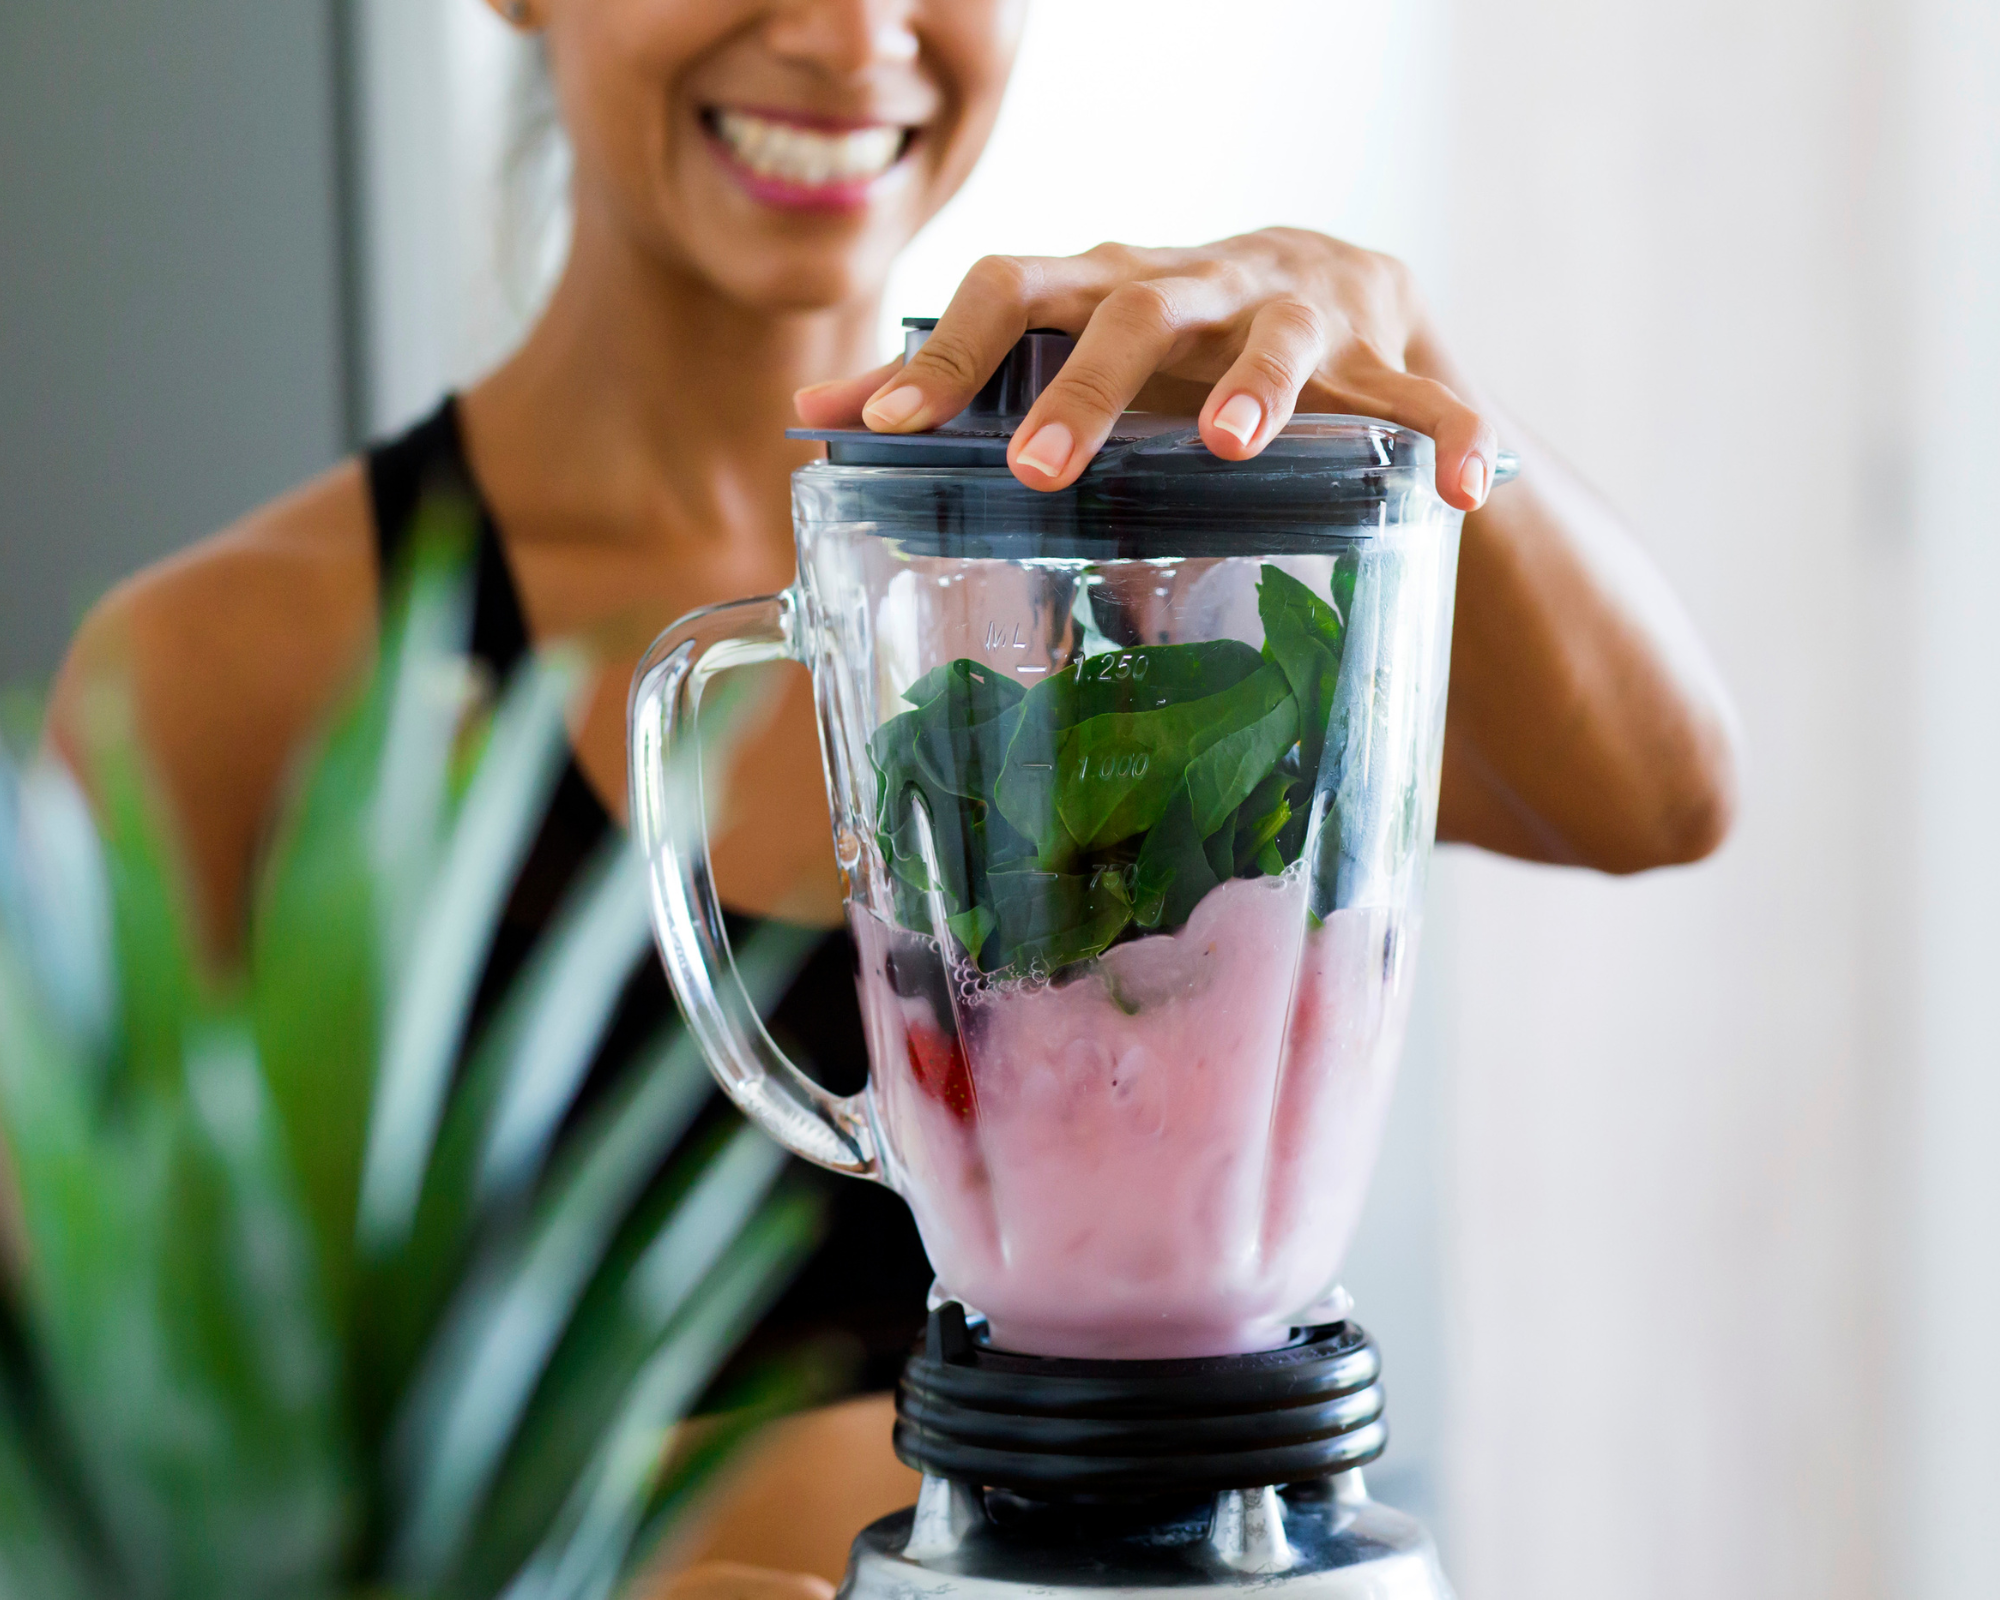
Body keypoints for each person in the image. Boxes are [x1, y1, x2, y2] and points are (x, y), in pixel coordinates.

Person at [49, 0, 1739, 1592]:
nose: (856, 37)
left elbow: (1663, 795)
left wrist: (1396, 344)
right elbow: (125, 1486)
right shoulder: (236, 671)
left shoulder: (1158, 562)